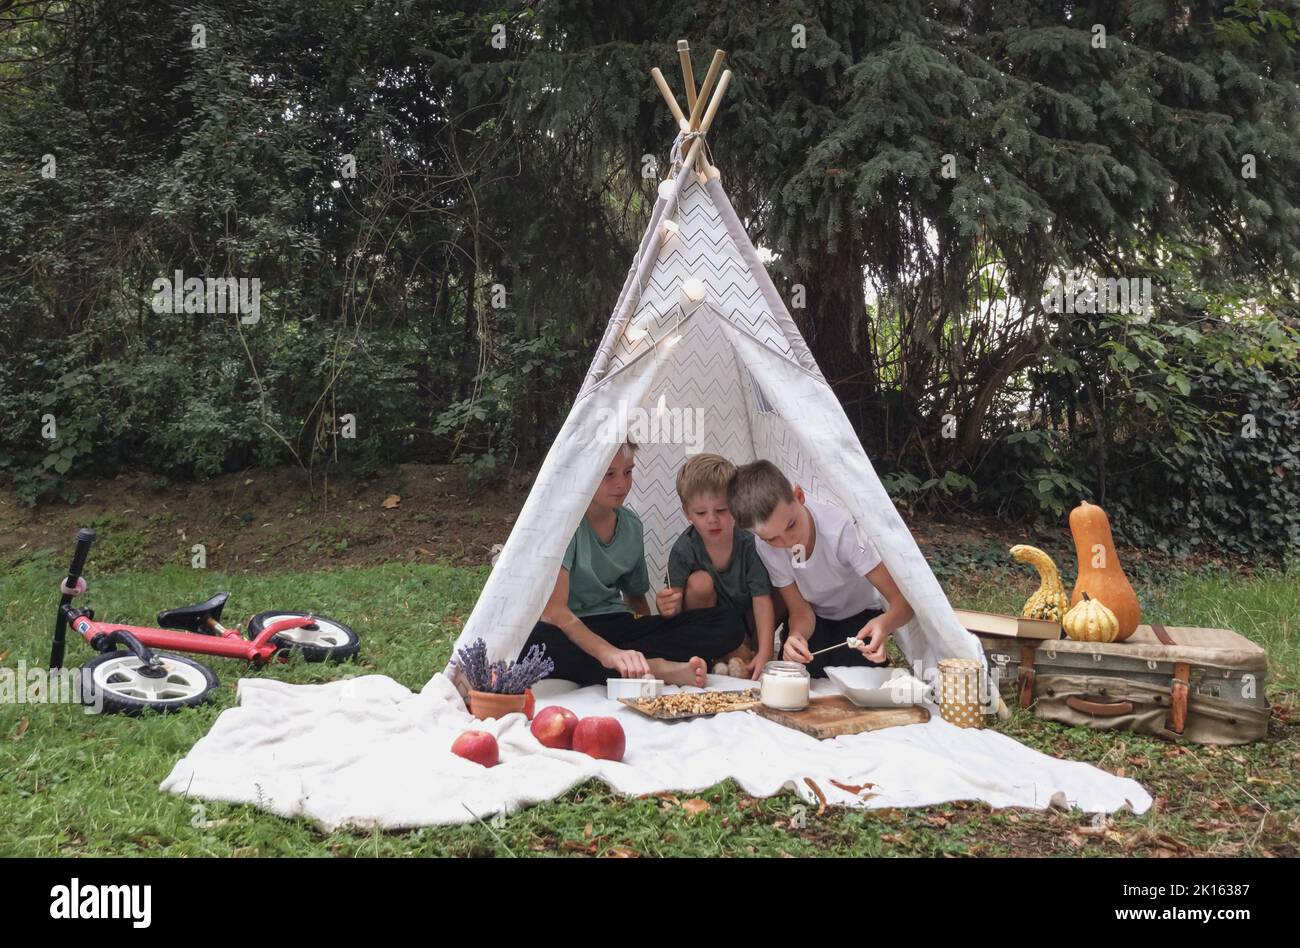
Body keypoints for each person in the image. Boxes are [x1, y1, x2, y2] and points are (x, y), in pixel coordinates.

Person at [516, 441, 745, 687]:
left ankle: (633, 663)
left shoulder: (632, 526)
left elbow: (636, 599)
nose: (621, 484)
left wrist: (657, 624)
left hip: (618, 624)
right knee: (537, 645)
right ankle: (654, 667)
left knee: (728, 623)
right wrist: (607, 653)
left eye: (628, 472)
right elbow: (555, 611)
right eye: (609, 474)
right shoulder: (567, 525)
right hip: (569, 628)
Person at [727, 460, 915, 678]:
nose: (788, 541)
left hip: (861, 617)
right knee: (793, 678)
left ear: (799, 496)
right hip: (814, 618)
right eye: (772, 539)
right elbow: (799, 610)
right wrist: (796, 636)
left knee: (858, 683)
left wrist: (884, 624)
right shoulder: (765, 547)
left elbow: (904, 603)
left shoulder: (841, 529)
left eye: (791, 525)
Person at [657, 453, 777, 680]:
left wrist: (766, 653)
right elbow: (675, 607)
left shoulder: (749, 544)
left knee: (777, 586)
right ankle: (711, 655)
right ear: (687, 513)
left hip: (744, 624)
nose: (712, 519)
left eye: (721, 510)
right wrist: (665, 605)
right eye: (701, 513)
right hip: (706, 627)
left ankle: (748, 654)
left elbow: (762, 600)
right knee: (700, 582)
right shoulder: (684, 549)